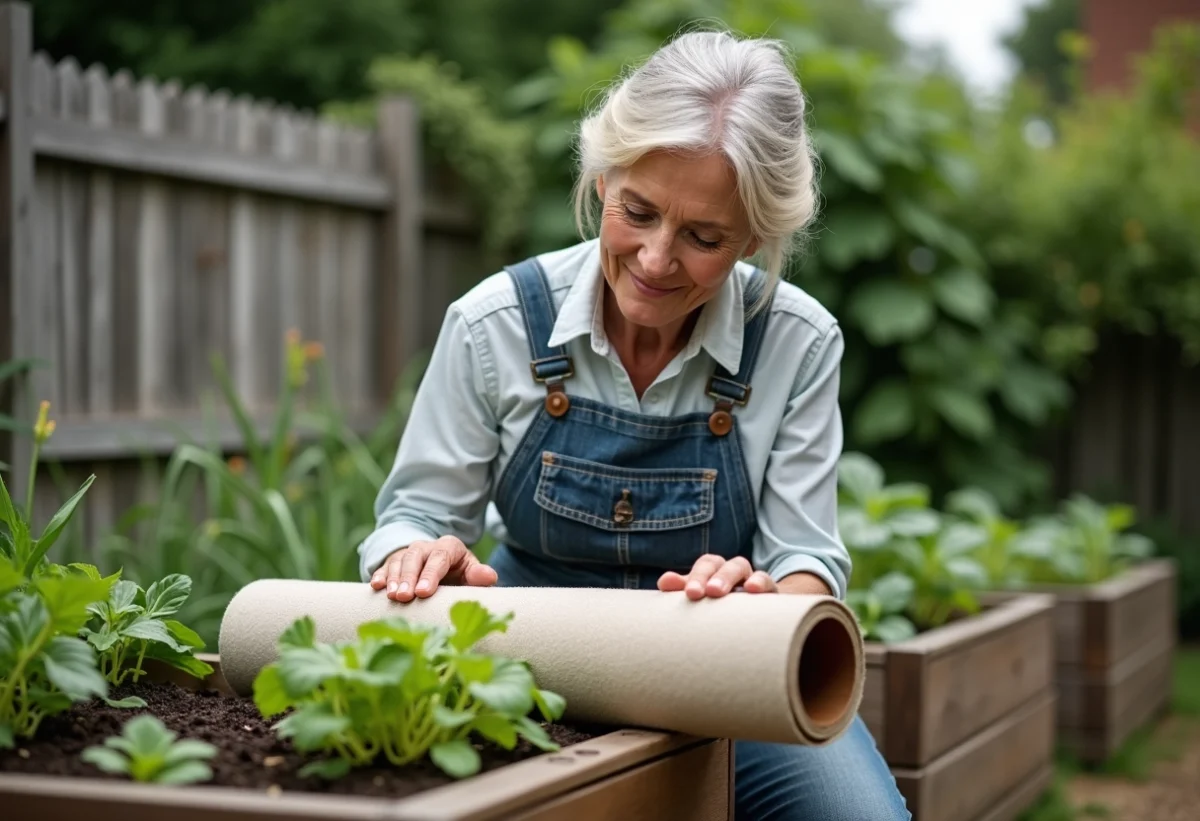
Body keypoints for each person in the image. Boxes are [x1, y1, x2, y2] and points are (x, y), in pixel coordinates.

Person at [357, 28, 911, 821]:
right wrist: (420, 553)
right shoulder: (494, 323)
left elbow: (805, 556)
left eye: (703, 237)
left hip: (717, 655)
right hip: (526, 646)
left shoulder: (796, 340)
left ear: (753, 238)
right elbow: (413, 514)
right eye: (638, 212)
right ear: (603, 179)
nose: (655, 260)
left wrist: (767, 598)